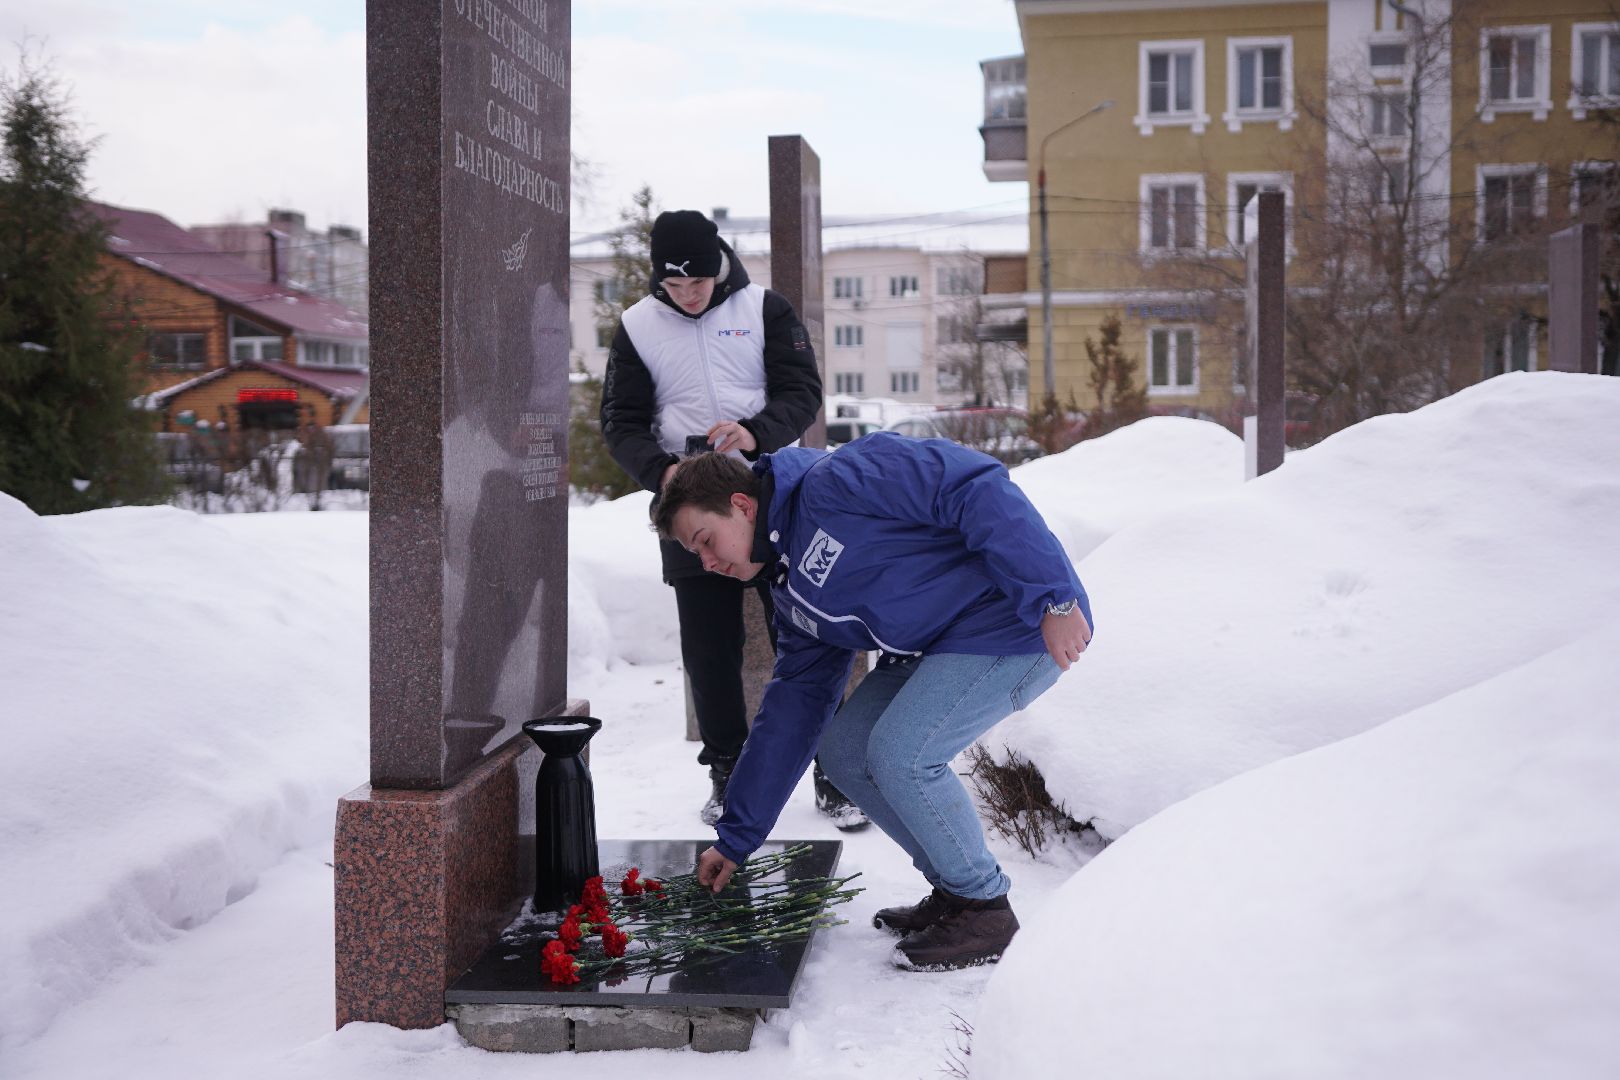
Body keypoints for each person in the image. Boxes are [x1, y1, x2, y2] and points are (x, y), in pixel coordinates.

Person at [653, 435, 1093, 971]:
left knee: (900, 755)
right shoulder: (789, 589)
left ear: (741, 506)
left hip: (1015, 622)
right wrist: (738, 836)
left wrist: (1053, 595)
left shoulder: (839, 479)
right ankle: (956, 892)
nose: (705, 562)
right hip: (936, 644)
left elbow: (972, 486)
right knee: (844, 753)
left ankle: (985, 909)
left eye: (705, 540)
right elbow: (793, 708)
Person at [600, 208, 867, 830]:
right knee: (708, 649)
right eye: (674, 287)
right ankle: (726, 769)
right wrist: (661, 474)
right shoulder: (637, 327)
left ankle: (835, 770)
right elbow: (621, 422)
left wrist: (754, 434)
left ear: (718, 263)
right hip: (685, 495)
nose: (688, 296)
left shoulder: (763, 309)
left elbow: (802, 391)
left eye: (697, 284)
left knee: (806, 632)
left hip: (769, 488)